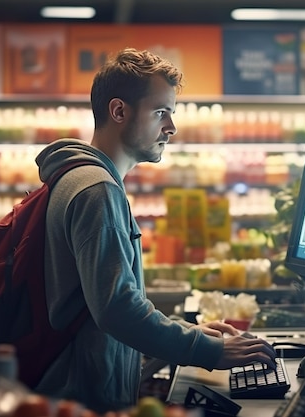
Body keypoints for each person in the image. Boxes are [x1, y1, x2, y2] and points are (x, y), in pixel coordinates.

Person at [33, 47, 277, 414]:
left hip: (73, 385)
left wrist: (189, 332)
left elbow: (103, 301)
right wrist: (207, 349)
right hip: (85, 399)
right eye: (161, 112)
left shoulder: (79, 178)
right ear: (119, 111)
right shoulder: (97, 191)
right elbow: (116, 310)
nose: (171, 128)